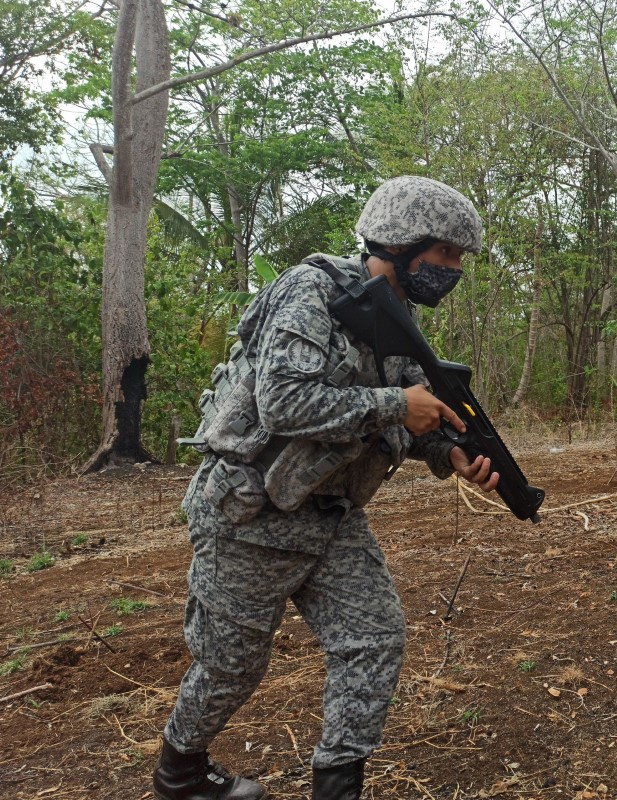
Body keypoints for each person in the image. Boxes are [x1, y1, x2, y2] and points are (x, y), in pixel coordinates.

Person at [152, 176, 500, 800]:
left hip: (331, 516)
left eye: (458, 258)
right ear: (398, 242)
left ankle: (337, 788)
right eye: (444, 253)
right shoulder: (313, 291)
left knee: (373, 641)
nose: (453, 269)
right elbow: (283, 401)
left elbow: (405, 421)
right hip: (252, 513)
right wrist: (397, 403)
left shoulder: (402, 324)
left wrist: (449, 451)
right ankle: (180, 770)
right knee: (231, 666)